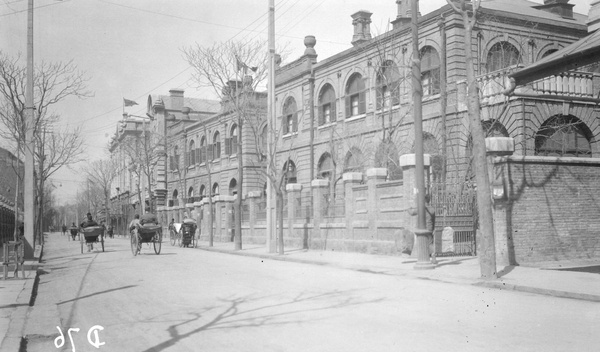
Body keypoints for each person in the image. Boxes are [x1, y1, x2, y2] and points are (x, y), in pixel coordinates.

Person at [424, 194, 437, 265]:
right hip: (430, 228)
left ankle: (429, 257)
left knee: (425, 243)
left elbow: (413, 212)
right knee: (430, 243)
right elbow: (434, 220)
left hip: (423, 228)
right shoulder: (432, 209)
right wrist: (434, 228)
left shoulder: (423, 208)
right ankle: (433, 257)